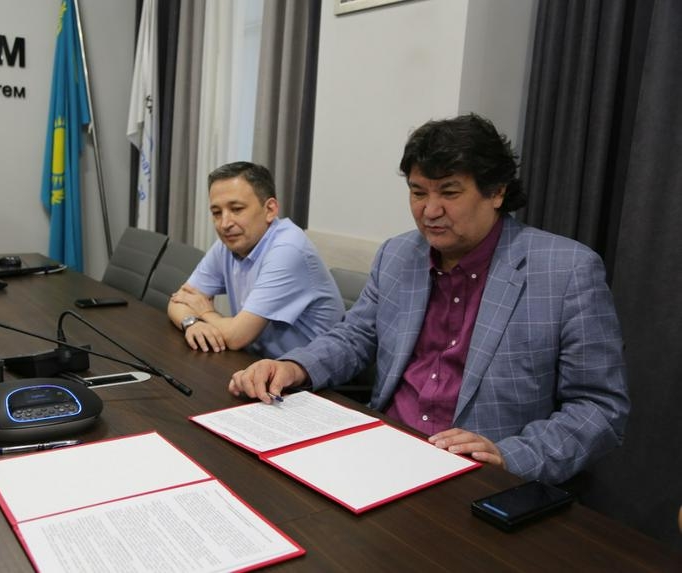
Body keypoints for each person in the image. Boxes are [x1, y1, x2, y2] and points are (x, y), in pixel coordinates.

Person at [228, 114, 629, 484]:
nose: (429, 210)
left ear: (496, 192)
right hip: (384, 450)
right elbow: (355, 337)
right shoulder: (398, 254)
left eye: (449, 192)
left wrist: (511, 457)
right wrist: (295, 366)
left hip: (478, 477)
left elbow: (598, 406)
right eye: (418, 192)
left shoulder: (565, 270)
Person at [168, 161, 345, 358]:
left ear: (270, 210)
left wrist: (205, 313)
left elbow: (237, 337)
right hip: (256, 362)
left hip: (310, 371)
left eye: (236, 209)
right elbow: (178, 301)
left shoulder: (288, 249)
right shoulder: (230, 243)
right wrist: (192, 323)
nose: (224, 223)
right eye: (217, 213)